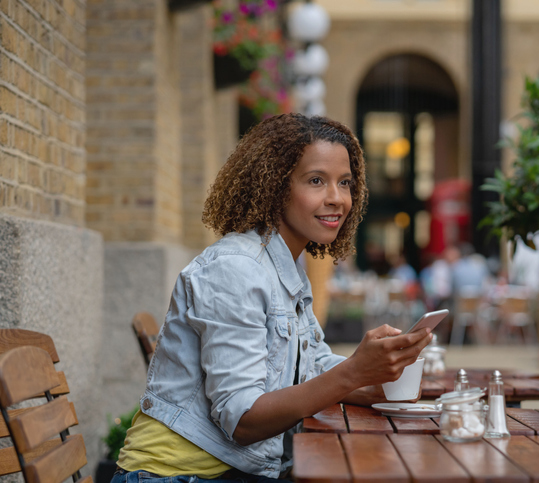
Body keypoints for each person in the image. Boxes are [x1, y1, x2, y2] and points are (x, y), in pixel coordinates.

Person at [112, 114, 432, 483]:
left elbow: (308, 368)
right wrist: (354, 373)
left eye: (345, 183)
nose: (337, 198)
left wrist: (379, 383)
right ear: (275, 186)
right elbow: (243, 419)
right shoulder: (236, 269)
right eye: (316, 181)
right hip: (170, 475)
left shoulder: (286, 265)